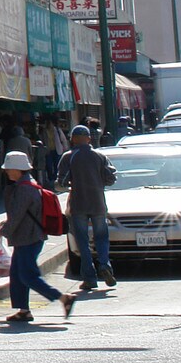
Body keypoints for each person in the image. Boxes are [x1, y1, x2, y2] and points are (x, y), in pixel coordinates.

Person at [0, 150, 72, 322]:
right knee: (18, 274)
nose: (6, 171)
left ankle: (63, 298)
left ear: (18, 170)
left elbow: (16, 217)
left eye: (9, 168)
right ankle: (24, 310)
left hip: (29, 237)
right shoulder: (27, 185)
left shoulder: (24, 189)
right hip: (29, 236)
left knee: (28, 275)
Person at [56, 124, 117, 293]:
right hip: (98, 203)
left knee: (82, 241)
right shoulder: (100, 156)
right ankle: (104, 265)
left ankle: (89, 277)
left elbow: (61, 182)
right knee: (102, 237)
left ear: (73, 139)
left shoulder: (69, 157)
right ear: (89, 139)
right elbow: (111, 177)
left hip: (78, 204)